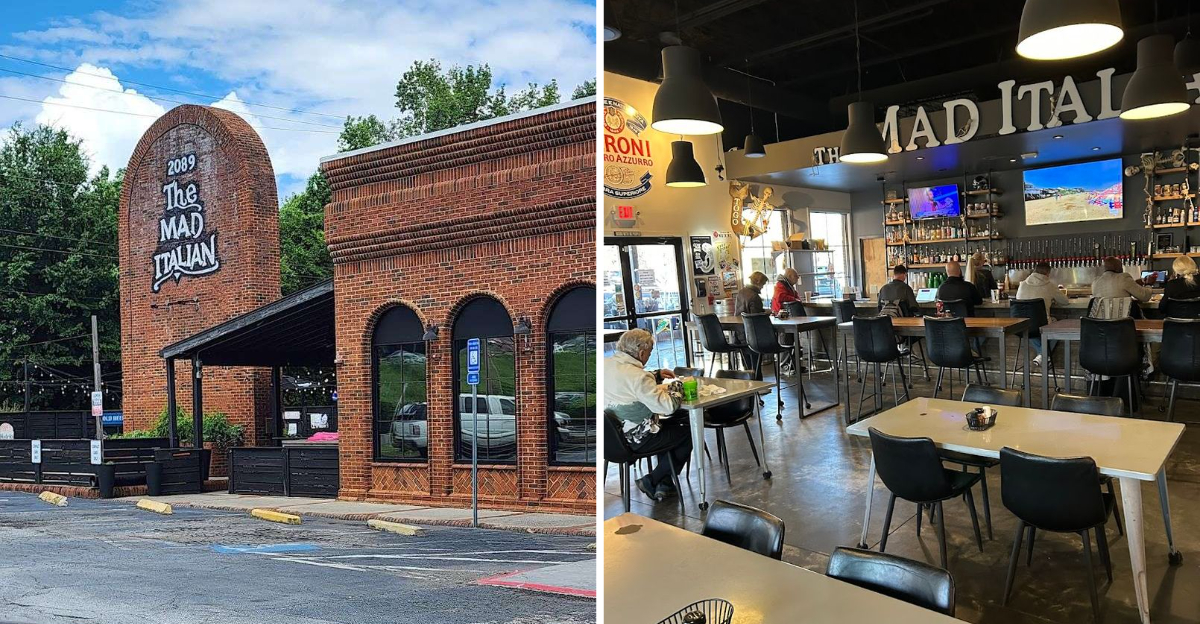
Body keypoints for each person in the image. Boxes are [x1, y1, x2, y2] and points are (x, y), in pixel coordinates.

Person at [603, 329, 690, 502]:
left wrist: (655, 375)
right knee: (688, 434)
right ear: (641, 352)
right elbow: (668, 407)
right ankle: (653, 479)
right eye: (649, 353)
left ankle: (664, 485)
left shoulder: (605, 364)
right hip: (635, 439)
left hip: (611, 438)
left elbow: (627, 384)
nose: (648, 357)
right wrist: (678, 386)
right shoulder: (639, 377)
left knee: (667, 430)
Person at [1016, 261, 1068, 366]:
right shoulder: (1050, 285)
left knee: (1030, 328)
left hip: (1021, 325)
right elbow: (1065, 301)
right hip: (1040, 324)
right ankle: (1044, 355)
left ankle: (1042, 355)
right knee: (1057, 326)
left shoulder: (1022, 284)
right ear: (1047, 274)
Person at [734, 271, 769, 376]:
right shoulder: (755, 297)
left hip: (739, 334)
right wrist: (766, 312)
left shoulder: (741, 292)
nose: (762, 287)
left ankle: (749, 381)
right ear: (758, 283)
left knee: (747, 362)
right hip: (753, 336)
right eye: (763, 284)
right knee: (756, 359)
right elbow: (756, 318)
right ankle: (758, 381)